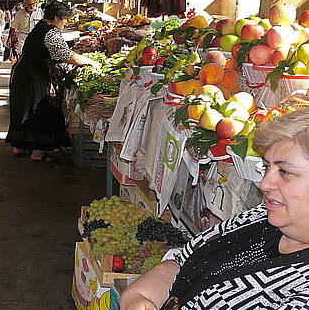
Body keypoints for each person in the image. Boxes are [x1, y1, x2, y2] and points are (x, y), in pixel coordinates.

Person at [121, 108, 309, 310]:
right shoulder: (258, 217)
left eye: (285, 172)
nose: (264, 184)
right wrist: (138, 298)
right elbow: (181, 262)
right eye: (266, 167)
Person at [5, 1, 99, 162]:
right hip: (35, 76)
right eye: (64, 19)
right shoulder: (51, 32)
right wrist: (90, 61)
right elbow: (66, 56)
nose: (65, 23)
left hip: (23, 74)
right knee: (39, 110)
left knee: (24, 110)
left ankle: (19, 146)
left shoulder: (40, 27)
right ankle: (37, 153)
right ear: (56, 18)